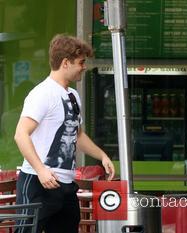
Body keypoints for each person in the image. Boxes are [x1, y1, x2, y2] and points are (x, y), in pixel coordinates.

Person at [14, 34, 115, 233]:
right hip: (38, 181)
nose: (84, 67)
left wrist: (102, 156)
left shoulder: (73, 94)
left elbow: (77, 135)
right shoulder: (42, 93)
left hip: (66, 185)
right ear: (66, 63)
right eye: (81, 62)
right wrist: (41, 170)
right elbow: (20, 134)